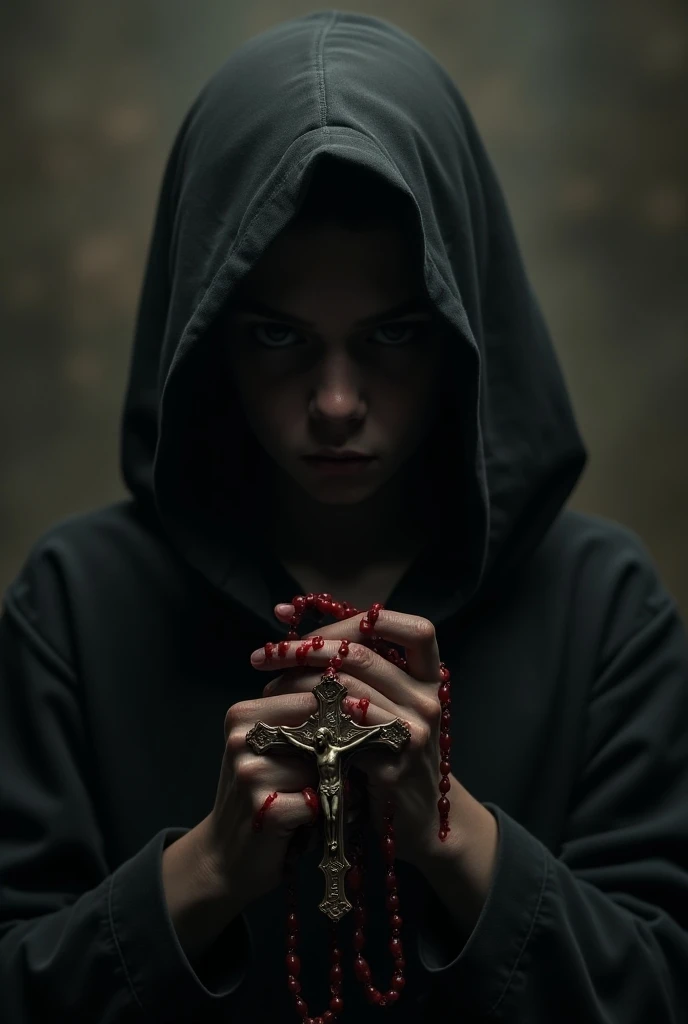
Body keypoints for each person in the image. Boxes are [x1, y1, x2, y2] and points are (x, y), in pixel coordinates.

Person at [1, 10, 687, 1024]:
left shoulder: (603, 610)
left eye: (394, 336)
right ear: (205, 342)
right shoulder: (74, 603)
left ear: (460, 334)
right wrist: (205, 871)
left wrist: (452, 835)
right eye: (278, 336)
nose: (333, 403)